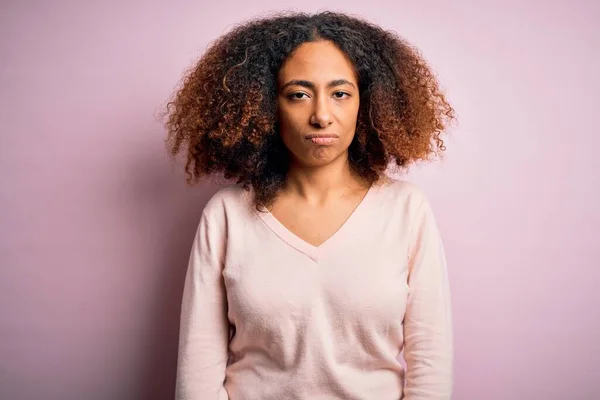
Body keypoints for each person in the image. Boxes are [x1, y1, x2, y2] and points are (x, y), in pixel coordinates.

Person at [164, 10, 455, 400]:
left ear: (366, 104)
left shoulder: (406, 211)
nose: (321, 115)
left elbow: (430, 366)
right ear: (267, 106)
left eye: (340, 93)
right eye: (298, 95)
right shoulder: (227, 216)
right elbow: (197, 372)